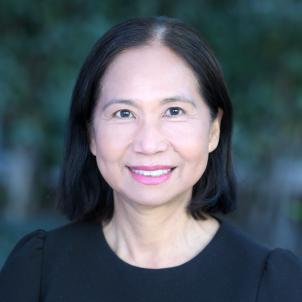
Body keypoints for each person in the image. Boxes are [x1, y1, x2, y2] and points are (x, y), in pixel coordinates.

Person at [0, 16, 301, 302]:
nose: (148, 143)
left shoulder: (273, 284)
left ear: (213, 130)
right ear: (91, 132)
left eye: (174, 111)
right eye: (124, 113)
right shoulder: (35, 272)